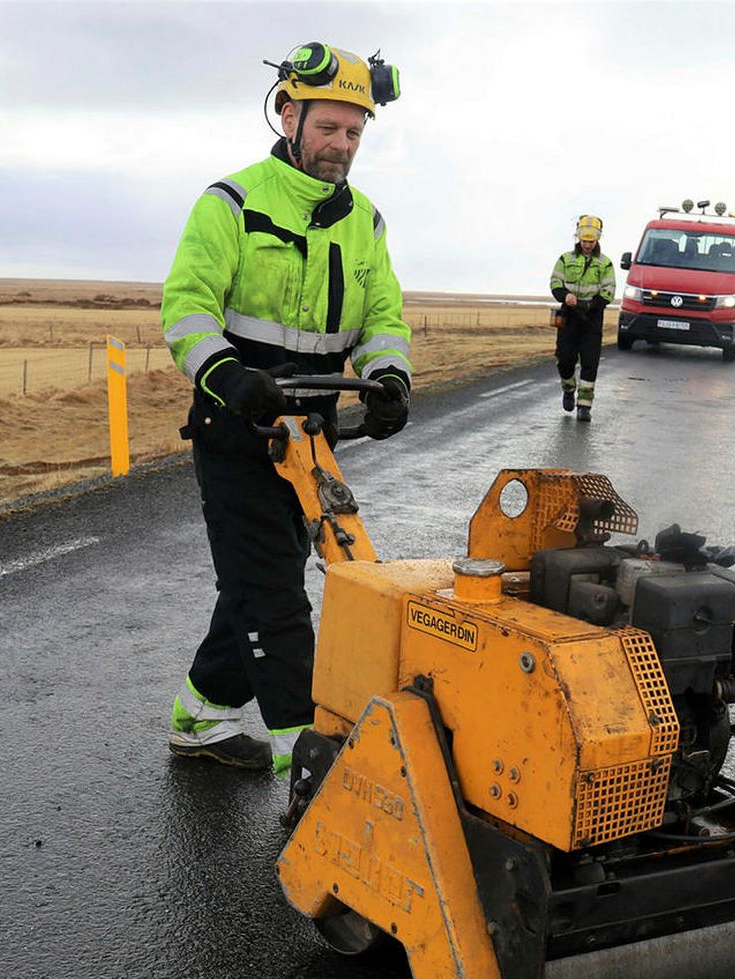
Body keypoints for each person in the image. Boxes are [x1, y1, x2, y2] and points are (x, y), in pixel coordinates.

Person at [159, 42, 411, 774]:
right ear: (287, 113)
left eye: (354, 133)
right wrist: (229, 373)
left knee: (258, 582)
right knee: (273, 596)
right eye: (329, 128)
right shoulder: (230, 203)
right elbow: (186, 310)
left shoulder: (366, 221)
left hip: (312, 435)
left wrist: (389, 376)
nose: (342, 146)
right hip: (235, 427)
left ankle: (200, 718)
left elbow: (384, 317)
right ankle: (314, 772)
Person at [549, 215, 616, 422]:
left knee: (590, 361)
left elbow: (609, 290)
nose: (587, 245)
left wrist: (591, 304)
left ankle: (584, 406)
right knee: (564, 359)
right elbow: (555, 282)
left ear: (597, 240)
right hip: (568, 316)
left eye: (591, 241)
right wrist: (564, 296)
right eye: (584, 241)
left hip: (592, 317)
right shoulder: (565, 259)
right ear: (578, 238)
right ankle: (568, 389)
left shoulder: (605, 263)